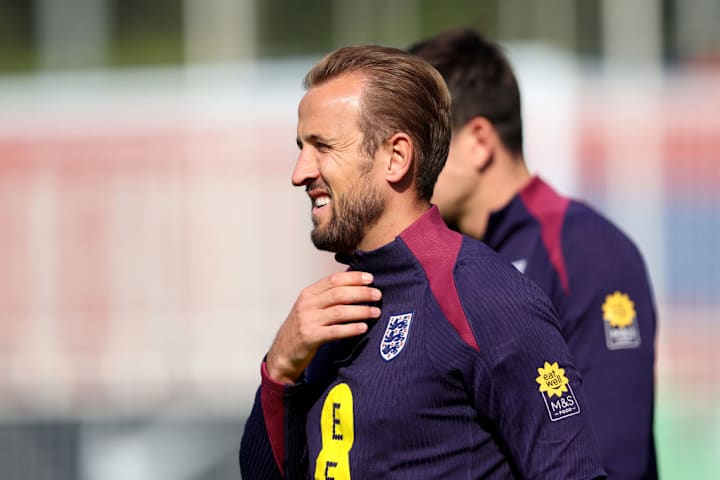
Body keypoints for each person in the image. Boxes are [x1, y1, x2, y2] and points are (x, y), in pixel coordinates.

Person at [239, 44, 606, 479]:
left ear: (396, 158)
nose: (300, 172)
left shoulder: (482, 295)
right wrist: (279, 368)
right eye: (302, 147)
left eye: (323, 146)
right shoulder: (326, 316)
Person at [409, 29, 657, 479]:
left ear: (478, 141)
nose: (405, 162)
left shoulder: (585, 251)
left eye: (421, 141)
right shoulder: (436, 260)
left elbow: (612, 460)